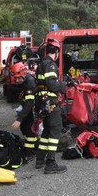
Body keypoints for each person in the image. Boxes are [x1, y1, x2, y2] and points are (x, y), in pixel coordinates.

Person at [34, 38, 67, 174]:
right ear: (57, 52)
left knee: (47, 130)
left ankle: (40, 159)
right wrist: (64, 85)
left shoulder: (41, 64)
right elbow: (52, 84)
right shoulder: (51, 65)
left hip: (42, 102)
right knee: (55, 129)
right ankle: (51, 163)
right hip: (50, 102)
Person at [10, 62, 38, 162]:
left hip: (33, 108)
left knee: (30, 129)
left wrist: (19, 119)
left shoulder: (30, 82)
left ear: (24, 73)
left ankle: (31, 151)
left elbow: (29, 104)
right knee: (24, 127)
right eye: (15, 78)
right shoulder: (25, 80)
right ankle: (31, 146)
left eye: (19, 78)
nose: (17, 80)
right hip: (28, 107)